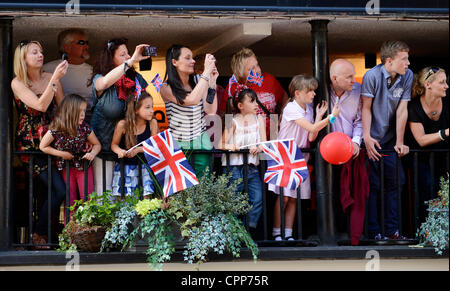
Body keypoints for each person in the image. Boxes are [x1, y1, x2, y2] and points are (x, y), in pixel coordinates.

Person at [11, 40, 68, 248]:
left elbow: (63, 109)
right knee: (57, 190)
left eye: (41, 51)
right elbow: (40, 106)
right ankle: (39, 232)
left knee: (48, 192)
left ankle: (44, 235)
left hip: (50, 139)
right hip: (30, 145)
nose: (40, 55)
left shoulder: (51, 78)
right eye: (34, 52)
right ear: (23, 58)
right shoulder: (17, 82)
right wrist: (55, 79)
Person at [271, 75, 340, 241]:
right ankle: (276, 233)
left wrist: (318, 116)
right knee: (284, 197)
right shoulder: (290, 108)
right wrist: (331, 117)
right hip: (286, 156)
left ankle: (287, 234)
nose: (313, 94)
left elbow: (311, 136)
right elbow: (311, 128)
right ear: (297, 93)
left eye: (314, 91)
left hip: (300, 157)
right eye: (309, 91)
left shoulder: (308, 109)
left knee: (294, 198)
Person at [361, 40, 412, 240]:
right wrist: (366, 137)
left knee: (396, 182)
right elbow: (366, 107)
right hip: (372, 139)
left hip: (390, 140)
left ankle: (392, 231)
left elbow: (402, 109)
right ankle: (374, 232)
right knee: (373, 186)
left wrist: (400, 141)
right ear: (389, 61)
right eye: (404, 59)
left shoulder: (407, 75)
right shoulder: (371, 75)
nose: (408, 63)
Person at [88, 38, 150, 196]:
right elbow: (103, 83)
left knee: (128, 195)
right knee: (105, 194)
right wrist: (130, 62)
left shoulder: (135, 80)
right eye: (123, 54)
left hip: (128, 149)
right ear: (111, 58)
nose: (128, 56)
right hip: (103, 146)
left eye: (128, 53)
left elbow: (145, 103)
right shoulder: (100, 78)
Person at [39, 94, 101, 221]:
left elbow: (97, 144)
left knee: (87, 199)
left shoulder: (84, 128)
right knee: (70, 202)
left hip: (83, 167)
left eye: (84, 111)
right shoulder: (57, 128)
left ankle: (88, 231)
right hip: (66, 168)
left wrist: (92, 153)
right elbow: (43, 146)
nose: (83, 115)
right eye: (79, 112)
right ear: (70, 111)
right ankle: (70, 236)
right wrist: (62, 154)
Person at [160, 44, 218, 177]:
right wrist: (206, 74)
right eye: (188, 58)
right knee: (182, 190)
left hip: (201, 142)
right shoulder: (165, 88)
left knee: (204, 188)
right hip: (179, 144)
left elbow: (210, 110)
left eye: (192, 58)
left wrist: (212, 84)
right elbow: (190, 100)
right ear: (174, 62)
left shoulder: (199, 80)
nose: (193, 61)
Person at [329, 59, 369, 245]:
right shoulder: (322, 91)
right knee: (331, 193)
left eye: (354, 75)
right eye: (349, 77)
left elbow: (360, 120)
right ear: (334, 78)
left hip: (352, 152)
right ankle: (331, 234)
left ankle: (351, 234)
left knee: (354, 193)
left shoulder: (358, 90)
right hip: (328, 154)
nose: (354, 80)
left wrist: (355, 142)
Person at [220, 88, 266, 233]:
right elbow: (221, 144)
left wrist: (258, 148)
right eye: (252, 101)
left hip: (251, 167)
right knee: (232, 202)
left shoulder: (259, 120)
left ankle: (246, 229)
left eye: (256, 100)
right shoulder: (233, 121)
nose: (256, 104)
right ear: (240, 105)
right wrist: (232, 146)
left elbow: (264, 143)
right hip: (233, 168)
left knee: (257, 199)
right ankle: (233, 232)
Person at [408, 66, 449, 223]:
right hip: (422, 161)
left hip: (445, 159)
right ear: (428, 85)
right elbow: (421, 140)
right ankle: (426, 230)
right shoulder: (414, 107)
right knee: (426, 192)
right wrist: (444, 133)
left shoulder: (447, 101)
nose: (446, 86)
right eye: (442, 82)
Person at [220, 47, 289, 140]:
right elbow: (225, 116)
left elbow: (284, 97)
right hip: (247, 142)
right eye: (251, 68)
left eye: (257, 65)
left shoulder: (269, 80)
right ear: (240, 72)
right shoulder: (233, 87)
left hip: (272, 139)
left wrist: (282, 118)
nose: (258, 70)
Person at [110, 91, 159, 199]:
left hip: (144, 168)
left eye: (152, 106)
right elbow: (114, 145)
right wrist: (119, 151)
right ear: (136, 110)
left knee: (145, 201)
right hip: (125, 168)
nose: (152, 111)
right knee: (126, 201)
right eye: (147, 107)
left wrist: (138, 150)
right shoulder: (122, 125)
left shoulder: (152, 123)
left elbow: (154, 147)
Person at [43, 28, 94, 122]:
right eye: (82, 43)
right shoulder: (48, 69)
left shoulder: (94, 71)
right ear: (67, 47)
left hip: (89, 128)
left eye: (87, 43)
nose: (86, 46)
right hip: (58, 127)